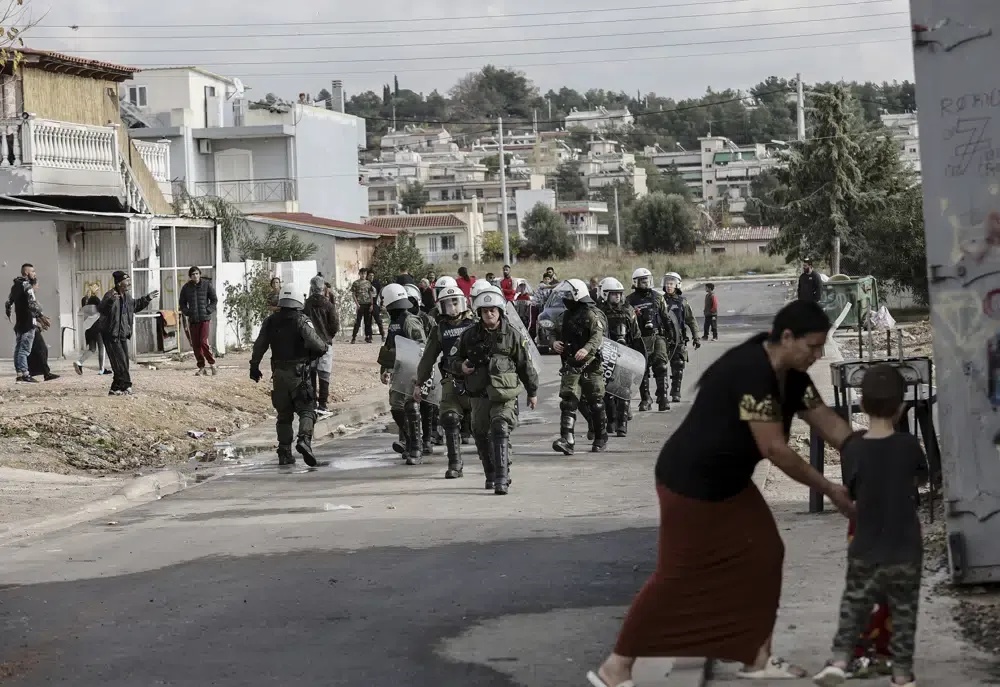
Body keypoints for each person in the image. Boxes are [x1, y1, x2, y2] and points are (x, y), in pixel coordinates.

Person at [586, 300, 856, 687]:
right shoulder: (752, 373)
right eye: (812, 346)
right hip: (690, 482)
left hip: (729, 481)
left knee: (766, 553)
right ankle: (615, 668)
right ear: (787, 337)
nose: (818, 354)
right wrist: (831, 488)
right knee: (675, 578)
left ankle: (757, 657)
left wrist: (872, 448)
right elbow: (775, 449)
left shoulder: (793, 375)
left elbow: (828, 422)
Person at [812, 365, 927, 687]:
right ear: (902, 406)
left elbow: (854, 489)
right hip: (905, 546)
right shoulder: (908, 445)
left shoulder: (853, 449)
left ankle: (839, 659)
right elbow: (919, 477)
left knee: (854, 604)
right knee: (904, 613)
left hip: (865, 545)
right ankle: (902, 675)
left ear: (861, 404)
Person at [451, 285, 538, 494]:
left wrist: (532, 391)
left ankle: (502, 477)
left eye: (493, 310)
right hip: (479, 395)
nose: (489, 314)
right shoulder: (468, 336)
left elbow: (525, 364)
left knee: (500, 427)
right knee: (480, 434)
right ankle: (490, 473)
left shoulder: (513, 335)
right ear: (479, 313)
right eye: (485, 311)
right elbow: (452, 359)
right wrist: (460, 367)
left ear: (499, 311)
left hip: (504, 395)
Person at [250, 283, 329, 467]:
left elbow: (259, 345)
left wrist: (254, 366)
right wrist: (321, 350)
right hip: (299, 374)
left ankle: (284, 452)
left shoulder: (270, 321)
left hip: (278, 374)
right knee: (307, 410)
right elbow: (317, 345)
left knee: (284, 415)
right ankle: (304, 441)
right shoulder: (301, 320)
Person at [414, 284, 477, 479]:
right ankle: (455, 463)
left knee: (485, 423)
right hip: (452, 378)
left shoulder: (475, 323)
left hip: (478, 380)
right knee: (449, 418)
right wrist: (419, 382)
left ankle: (494, 461)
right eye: (447, 304)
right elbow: (428, 357)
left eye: (455, 302)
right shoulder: (439, 329)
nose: (452, 307)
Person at [551, 278, 608, 454]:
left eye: (569, 295)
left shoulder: (593, 314)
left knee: (596, 402)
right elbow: (553, 331)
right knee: (569, 402)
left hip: (591, 365)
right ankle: (567, 440)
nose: (566, 298)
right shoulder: (566, 315)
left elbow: (598, 336)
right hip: (571, 365)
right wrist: (554, 343)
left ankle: (600, 437)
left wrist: (586, 348)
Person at [377, 283, 427, 465]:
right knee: (396, 407)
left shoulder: (409, 321)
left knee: (410, 408)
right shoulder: (394, 323)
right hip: (398, 372)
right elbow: (389, 347)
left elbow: (421, 346)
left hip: (411, 371)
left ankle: (416, 447)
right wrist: (385, 369)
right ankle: (408, 440)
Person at [97, 271, 158, 396]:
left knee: (123, 362)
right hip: (111, 334)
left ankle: (115, 388)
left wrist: (147, 299)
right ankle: (126, 386)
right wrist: (110, 301)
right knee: (120, 363)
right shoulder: (110, 295)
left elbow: (134, 306)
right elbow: (102, 309)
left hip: (122, 334)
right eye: (127, 281)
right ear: (119, 283)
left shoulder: (127, 296)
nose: (129, 283)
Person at [598, 277, 644, 438]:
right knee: (607, 392)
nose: (617, 297)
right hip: (607, 355)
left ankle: (622, 424)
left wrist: (640, 356)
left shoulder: (628, 310)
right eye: (613, 294)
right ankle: (611, 421)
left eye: (619, 294)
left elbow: (636, 334)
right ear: (605, 294)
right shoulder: (599, 312)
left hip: (626, 354)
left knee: (624, 390)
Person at [626, 267, 676, 412]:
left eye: (647, 280)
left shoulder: (658, 297)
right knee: (642, 370)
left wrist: (671, 334)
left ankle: (663, 397)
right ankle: (646, 398)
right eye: (642, 281)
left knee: (661, 365)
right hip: (639, 338)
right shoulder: (629, 300)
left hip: (657, 335)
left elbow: (665, 317)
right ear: (636, 282)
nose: (646, 283)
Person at [404, 282, 439, 454]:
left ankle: (428, 437)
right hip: (406, 365)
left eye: (411, 301)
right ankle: (409, 441)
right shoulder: (401, 320)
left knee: (427, 402)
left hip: (426, 364)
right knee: (406, 404)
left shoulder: (427, 319)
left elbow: (435, 341)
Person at [5, 263, 48, 383]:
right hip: (28, 322)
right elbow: (32, 304)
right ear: (26, 273)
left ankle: (19, 373)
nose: (35, 274)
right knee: (24, 350)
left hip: (19, 323)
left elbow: (8, 303)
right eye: (33, 271)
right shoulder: (27, 286)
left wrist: (10, 316)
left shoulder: (15, 286)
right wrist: (41, 317)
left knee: (18, 349)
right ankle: (25, 374)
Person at [662, 272, 700, 403]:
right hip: (663, 339)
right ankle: (662, 393)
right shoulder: (659, 301)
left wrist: (696, 337)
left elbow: (691, 320)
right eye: (667, 283)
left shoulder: (682, 302)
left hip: (679, 339)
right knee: (661, 367)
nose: (669, 286)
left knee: (678, 365)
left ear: (677, 285)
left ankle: (676, 391)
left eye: (671, 283)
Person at [304, 275, 340, 413]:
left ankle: (312, 402)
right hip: (325, 343)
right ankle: (323, 404)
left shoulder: (306, 305)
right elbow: (335, 324)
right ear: (323, 288)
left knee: (311, 373)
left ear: (311, 288)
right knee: (324, 374)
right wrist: (329, 336)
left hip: (310, 343)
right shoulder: (328, 305)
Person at [178, 266, 218, 376]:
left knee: (203, 342)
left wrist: (208, 310)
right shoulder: (186, 288)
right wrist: (187, 312)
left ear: (199, 274)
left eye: (197, 274)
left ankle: (212, 363)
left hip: (204, 319)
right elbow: (182, 302)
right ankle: (201, 367)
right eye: (193, 274)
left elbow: (214, 300)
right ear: (190, 276)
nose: (195, 276)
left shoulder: (206, 285)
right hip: (193, 319)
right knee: (196, 344)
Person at [26, 281, 58, 381]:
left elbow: (35, 314)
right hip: (30, 327)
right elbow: (32, 312)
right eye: (37, 285)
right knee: (42, 349)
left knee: (33, 351)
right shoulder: (29, 298)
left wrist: (41, 321)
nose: (38, 287)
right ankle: (46, 373)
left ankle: (32, 372)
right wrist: (42, 321)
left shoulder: (32, 298)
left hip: (32, 326)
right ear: (32, 286)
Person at [75, 283, 109, 375]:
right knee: (102, 347)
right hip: (97, 327)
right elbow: (102, 310)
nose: (98, 291)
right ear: (94, 290)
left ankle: (79, 362)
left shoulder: (84, 300)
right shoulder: (95, 299)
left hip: (88, 328)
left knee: (92, 349)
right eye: (97, 290)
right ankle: (102, 369)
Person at [350, 268, 374, 344]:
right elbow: (353, 294)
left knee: (367, 321)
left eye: (365, 274)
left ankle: (368, 337)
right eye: (362, 274)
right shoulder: (356, 283)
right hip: (360, 304)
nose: (363, 275)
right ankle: (354, 337)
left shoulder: (368, 283)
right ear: (359, 274)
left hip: (367, 304)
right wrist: (357, 304)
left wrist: (371, 304)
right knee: (358, 322)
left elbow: (370, 294)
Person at [368, 269, 387, 341]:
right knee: (368, 321)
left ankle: (383, 335)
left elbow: (381, 294)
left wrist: (381, 304)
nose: (371, 277)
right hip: (367, 304)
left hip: (375, 304)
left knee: (378, 320)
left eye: (372, 275)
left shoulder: (377, 283)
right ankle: (369, 336)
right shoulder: (365, 283)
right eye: (370, 275)